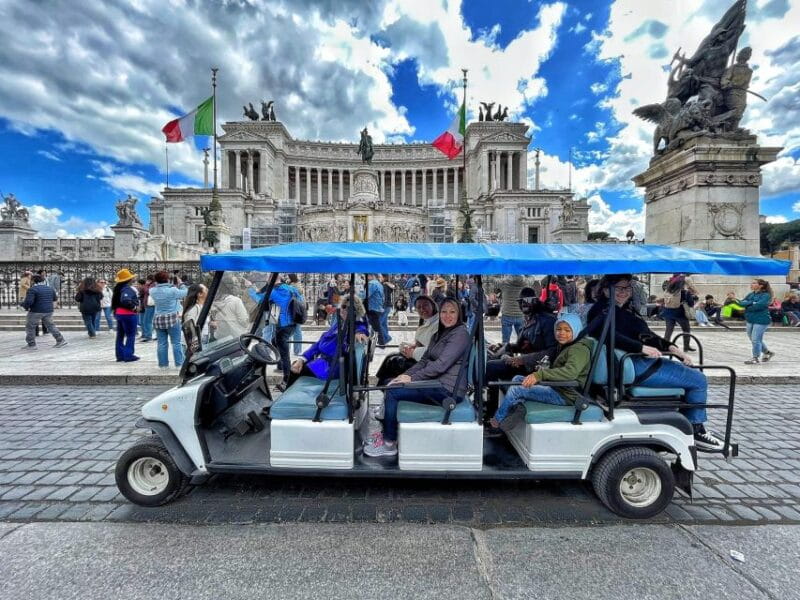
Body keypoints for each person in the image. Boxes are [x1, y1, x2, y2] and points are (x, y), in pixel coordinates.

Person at [585, 274, 723, 451]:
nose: (624, 292)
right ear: (606, 290)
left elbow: (646, 335)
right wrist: (640, 348)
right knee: (698, 380)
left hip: (634, 362)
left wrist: (671, 347)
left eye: (627, 288)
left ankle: (686, 425)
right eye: (619, 288)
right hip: (634, 365)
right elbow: (607, 335)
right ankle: (696, 429)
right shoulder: (603, 311)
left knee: (690, 372)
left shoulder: (622, 310)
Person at [364, 298, 471, 458]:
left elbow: (441, 365)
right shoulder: (439, 333)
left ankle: (389, 443)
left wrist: (412, 379)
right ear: (439, 313)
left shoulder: (460, 333)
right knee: (389, 382)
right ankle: (388, 428)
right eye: (444, 311)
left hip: (448, 390)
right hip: (437, 383)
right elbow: (424, 361)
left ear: (459, 314)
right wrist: (406, 375)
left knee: (393, 391)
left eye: (452, 312)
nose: (447, 316)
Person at [488, 313, 592, 434]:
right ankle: (518, 406)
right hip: (558, 387)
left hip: (565, 395)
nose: (561, 333)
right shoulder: (566, 345)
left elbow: (570, 372)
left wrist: (539, 375)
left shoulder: (578, 349)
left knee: (517, 389)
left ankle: (497, 422)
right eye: (558, 329)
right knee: (517, 379)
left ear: (576, 330)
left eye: (567, 330)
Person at [484, 287, 557, 421]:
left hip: (538, 370)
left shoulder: (546, 320)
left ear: (535, 301)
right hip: (526, 365)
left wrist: (523, 359)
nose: (524, 304)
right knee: (490, 364)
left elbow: (552, 351)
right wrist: (504, 346)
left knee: (491, 367)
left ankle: (491, 412)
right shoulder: (528, 319)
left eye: (528, 301)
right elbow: (520, 345)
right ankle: (488, 406)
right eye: (521, 301)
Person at [289, 296, 369, 386]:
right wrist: (302, 358)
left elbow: (362, 326)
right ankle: (288, 394)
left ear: (355, 311)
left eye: (347, 308)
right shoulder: (339, 324)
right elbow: (319, 343)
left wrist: (360, 332)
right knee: (296, 364)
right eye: (342, 306)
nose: (342, 310)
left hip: (331, 367)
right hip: (323, 363)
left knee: (296, 371)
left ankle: (288, 394)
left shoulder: (354, 324)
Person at [375, 295, 438, 383]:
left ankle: (386, 386)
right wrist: (411, 347)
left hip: (426, 363)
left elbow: (433, 349)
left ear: (433, 305)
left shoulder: (437, 323)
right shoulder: (427, 322)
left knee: (394, 361)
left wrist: (413, 352)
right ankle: (383, 385)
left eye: (425, 305)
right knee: (391, 355)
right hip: (420, 356)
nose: (422, 309)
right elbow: (421, 343)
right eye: (419, 307)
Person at [268, 275, 303, 390]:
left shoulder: (273, 292)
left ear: (271, 280)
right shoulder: (291, 288)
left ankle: (286, 381)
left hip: (282, 324)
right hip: (292, 323)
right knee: (275, 341)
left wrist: (251, 288)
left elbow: (259, 298)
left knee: (284, 353)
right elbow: (301, 300)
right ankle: (281, 366)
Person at [149, 270, 188, 368]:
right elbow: (185, 292)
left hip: (158, 319)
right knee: (176, 343)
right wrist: (181, 283)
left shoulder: (152, 290)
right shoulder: (172, 290)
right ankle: (179, 364)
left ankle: (163, 365)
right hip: (172, 318)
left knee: (161, 343)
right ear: (167, 279)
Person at [21, 274, 67, 350]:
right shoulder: (50, 288)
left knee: (30, 327)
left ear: (33, 281)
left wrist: (24, 305)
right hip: (48, 311)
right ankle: (60, 340)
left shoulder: (32, 289)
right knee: (51, 326)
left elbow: (29, 302)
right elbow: (54, 299)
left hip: (36, 311)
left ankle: (31, 344)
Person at [740, 279, 774, 364]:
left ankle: (755, 358)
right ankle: (767, 353)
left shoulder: (766, 295)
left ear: (761, 285)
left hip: (761, 320)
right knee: (754, 338)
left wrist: (748, 305)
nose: (751, 284)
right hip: (750, 319)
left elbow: (759, 305)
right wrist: (752, 302)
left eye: (754, 283)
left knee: (755, 339)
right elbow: (741, 303)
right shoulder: (751, 294)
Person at [660, 274, 697, 352]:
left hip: (668, 312)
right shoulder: (685, 292)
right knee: (686, 329)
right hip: (680, 313)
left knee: (668, 330)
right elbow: (691, 304)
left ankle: (664, 346)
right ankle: (686, 347)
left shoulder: (668, 290)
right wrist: (693, 296)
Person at [111, 269, 139, 362]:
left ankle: (120, 355)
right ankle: (128, 355)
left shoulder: (117, 289)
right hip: (128, 314)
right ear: (129, 279)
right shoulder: (127, 289)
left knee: (120, 335)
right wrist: (134, 307)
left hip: (119, 313)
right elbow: (126, 300)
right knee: (131, 335)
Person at [498, 275, 526, 344]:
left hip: (507, 313)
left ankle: (505, 353)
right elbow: (532, 278)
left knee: (505, 341)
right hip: (520, 314)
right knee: (522, 340)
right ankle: (523, 354)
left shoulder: (504, 283)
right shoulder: (525, 283)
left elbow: (494, 280)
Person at [365, 274, 389, 346]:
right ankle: (381, 340)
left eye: (368, 276)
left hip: (372, 308)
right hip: (377, 307)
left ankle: (381, 341)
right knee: (376, 325)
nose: (367, 278)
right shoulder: (379, 284)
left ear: (371, 276)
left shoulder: (372, 284)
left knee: (375, 326)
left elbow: (365, 295)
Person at [287, 273, 304, 355]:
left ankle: (291, 349)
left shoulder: (291, 287)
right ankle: (297, 350)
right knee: (297, 330)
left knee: (291, 330)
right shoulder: (298, 286)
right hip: (297, 310)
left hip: (292, 310)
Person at [139, 274, 156, 342]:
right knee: (146, 321)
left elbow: (148, 291)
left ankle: (149, 336)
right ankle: (147, 335)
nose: (147, 281)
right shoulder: (150, 285)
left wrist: (146, 285)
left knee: (147, 321)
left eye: (148, 280)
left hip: (150, 305)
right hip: (147, 305)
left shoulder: (153, 285)